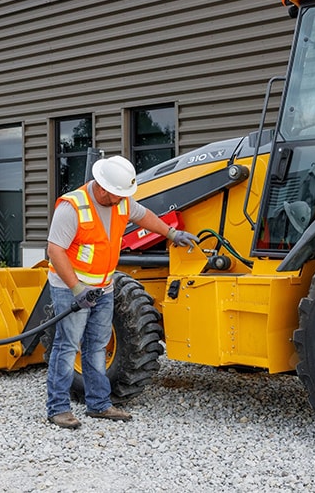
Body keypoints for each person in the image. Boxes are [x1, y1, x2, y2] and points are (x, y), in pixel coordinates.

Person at [45, 155, 199, 429]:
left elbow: (144, 216)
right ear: (102, 188)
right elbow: (55, 250)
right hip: (72, 288)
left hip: (104, 287)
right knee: (67, 347)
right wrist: (77, 288)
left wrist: (171, 234)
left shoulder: (122, 202)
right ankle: (58, 408)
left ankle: (99, 404)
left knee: (97, 347)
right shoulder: (72, 207)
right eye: (116, 195)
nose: (120, 201)